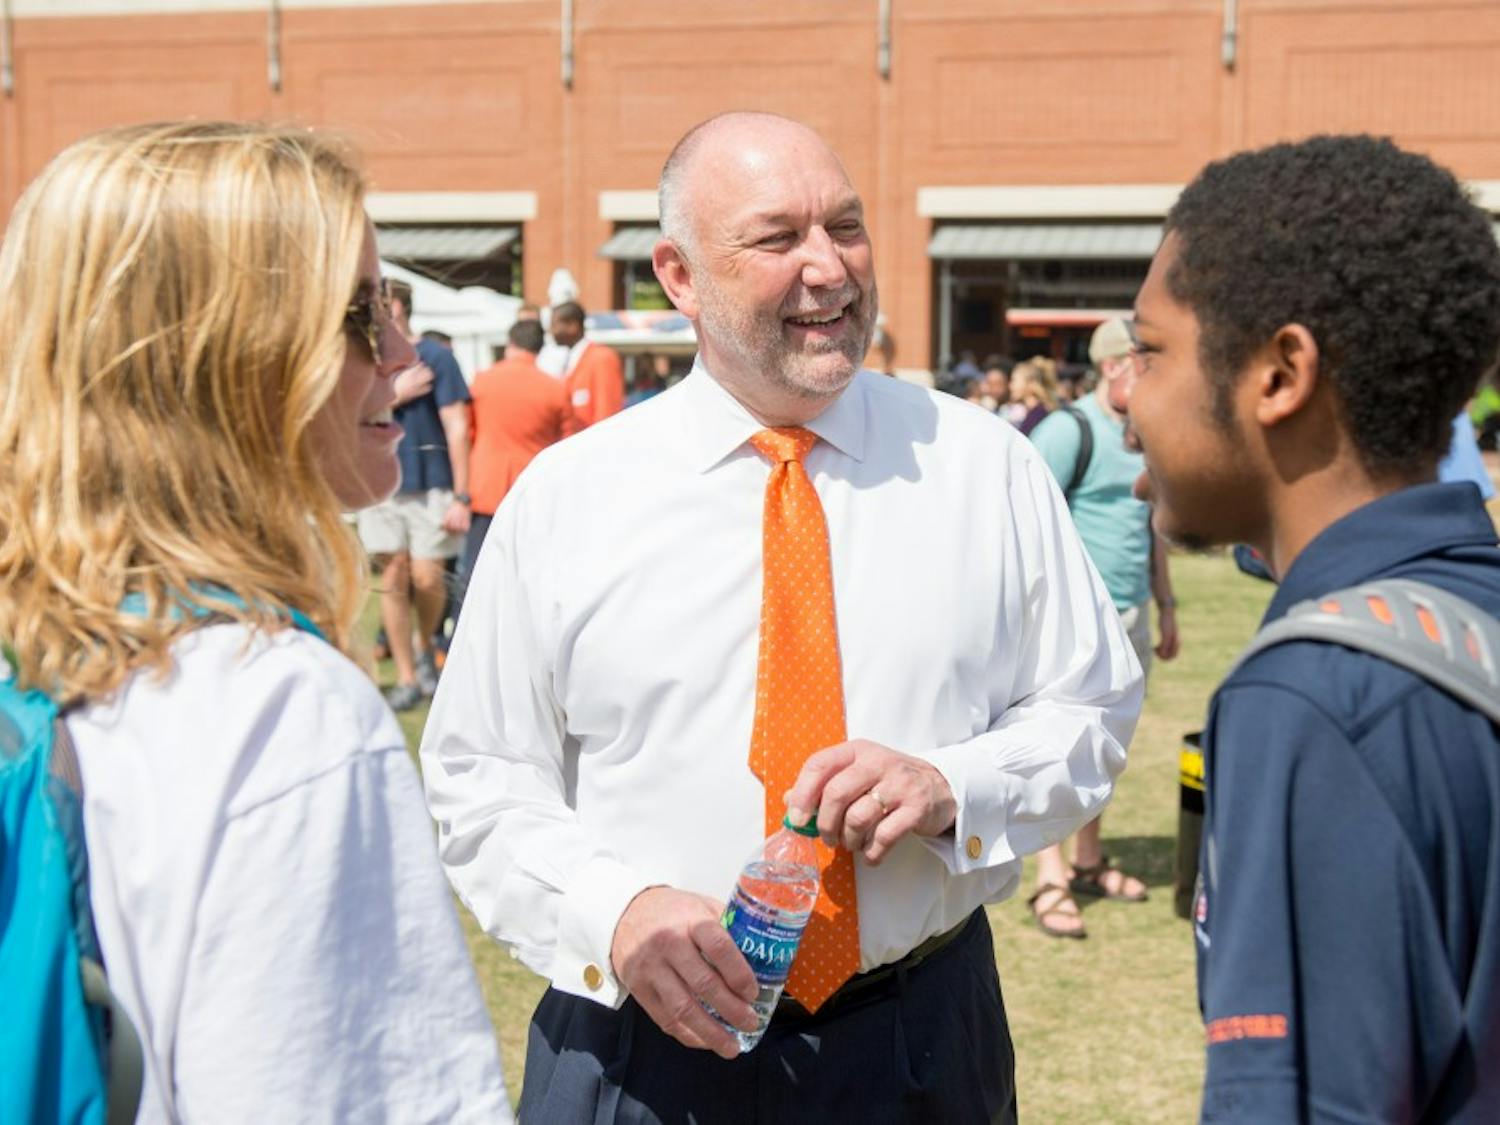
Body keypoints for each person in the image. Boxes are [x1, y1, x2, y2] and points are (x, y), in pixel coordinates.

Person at [422, 110, 1142, 1123]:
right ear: (677, 276)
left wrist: (953, 783)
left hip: (918, 1041)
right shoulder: (569, 498)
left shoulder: (983, 468)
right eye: (778, 239)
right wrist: (614, 913)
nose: (830, 268)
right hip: (645, 1053)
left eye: (845, 227)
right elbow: (479, 774)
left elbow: (1092, 705)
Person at [0, 121, 510, 1122]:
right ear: (232, 362)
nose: (406, 358)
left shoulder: (43, 643)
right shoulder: (276, 709)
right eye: (362, 316)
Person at [1126, 134, 1500, 1121]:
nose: (1127, 402)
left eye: (1150, 350)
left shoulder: (1315, 697)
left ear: (1280, 373)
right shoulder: (1474, 608)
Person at [1024, 317, 1180, 938]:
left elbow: (1154, 526)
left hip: (1134, 615)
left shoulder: (1147, 436)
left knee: (1105, 748)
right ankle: (1050, 877)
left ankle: (1089, 862)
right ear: (1116, 367)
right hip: (1077, 623)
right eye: (1146, 365)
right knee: (1055, 744)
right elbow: (1026, 520)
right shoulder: (1070, 430)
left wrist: (1167, 607)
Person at [356, 277, 472, 710]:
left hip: (430, 483)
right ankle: (406, 674)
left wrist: (462, 494)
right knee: (392, 576)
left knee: (427, 577)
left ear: (401, 307)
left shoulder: (437, 357)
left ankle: (425, 646)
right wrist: (395, 392)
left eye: (385, 304)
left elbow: (457, 426)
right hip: (379, 482)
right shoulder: (366, 358)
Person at [460, 317, 579, 606]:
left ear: (510, 343)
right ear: (539, 348)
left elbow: (467, 433)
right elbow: (567, 442)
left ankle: (454, 643)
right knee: (527, 577)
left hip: (485, 488)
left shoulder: (483, 380)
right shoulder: (555, 388)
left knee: (475, 573)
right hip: (532, 492)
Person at [549, 299, 625, 426]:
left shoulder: (601, 358)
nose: (551, 331)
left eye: (555, 325)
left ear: (572, 326)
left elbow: (607, 411)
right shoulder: (569, 359)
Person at [1011, 356, 1060, 434]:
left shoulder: (1038, 414)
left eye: (1014, 380)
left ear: (1030, 384)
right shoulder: (1035, 411)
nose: (1011, 386)